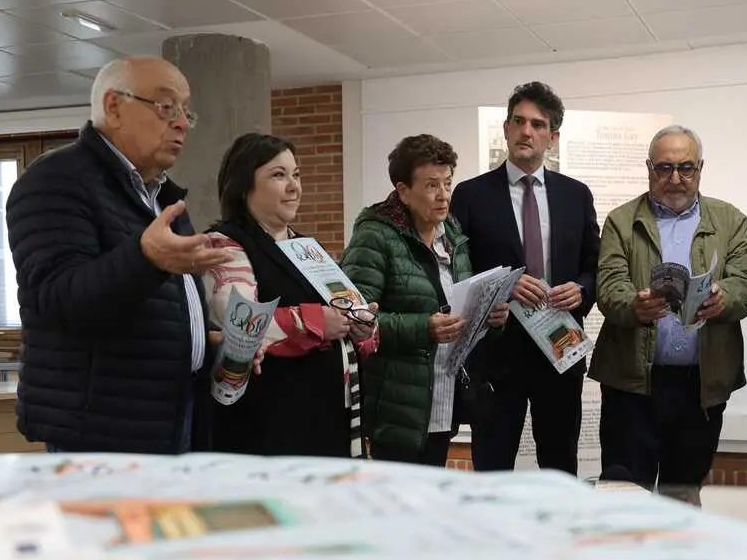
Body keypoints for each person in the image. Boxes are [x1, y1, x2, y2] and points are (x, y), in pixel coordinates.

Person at [7, 56, 230, 454]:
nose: (181, 123)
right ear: (114, 106)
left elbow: (156, 314)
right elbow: (57, 299)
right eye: (166, 107)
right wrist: (145, 258)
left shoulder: (160, 196)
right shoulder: (55, 180)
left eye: (185, 112)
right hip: (99, 429)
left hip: (172, 414)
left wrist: (207, 343)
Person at [590, 125, 747, 488]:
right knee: (626, 496)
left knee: (684, 497)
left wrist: (723, 298)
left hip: (702, 388)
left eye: (686, 168)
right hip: (632, 388)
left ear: (701, 168)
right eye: (665, 168)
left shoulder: (730, 220)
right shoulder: (621, 220)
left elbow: (746, 283)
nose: (676, 178)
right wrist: (634, 305)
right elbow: (609, 287)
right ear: (649, 168)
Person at [450, 81, 600, 474]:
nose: (526, 131)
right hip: (497, 356)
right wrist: (503, 286)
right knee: (493, 468)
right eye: (518, 121)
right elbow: (456, 270)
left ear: (553, 137)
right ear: (505, 129)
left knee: (560, 465)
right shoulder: (470, 195)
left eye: (537, 124)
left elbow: (595, 265)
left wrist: (582, 289)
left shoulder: (576, 195)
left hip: (560, 349)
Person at [203, 133, 378, 458]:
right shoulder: (223, 245)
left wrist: (361, 325)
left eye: (296, 175)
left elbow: (346, 308)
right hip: (270, 430)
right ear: (244, 185)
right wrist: (313, 322)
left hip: (330, 424)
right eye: (278, 175)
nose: (294, 186)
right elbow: (240, 326)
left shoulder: (306, 247)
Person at [341, 134, 509, 466]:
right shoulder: (375, 236)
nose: (444, 195)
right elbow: (355, 317)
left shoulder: (453, 237)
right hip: (398, 405)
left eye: (447, 183)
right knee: (399, 505)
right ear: (403, 191)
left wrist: (490, 318)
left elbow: (461, 306)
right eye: (432, 185)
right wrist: (423, 328)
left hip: (444, 397)